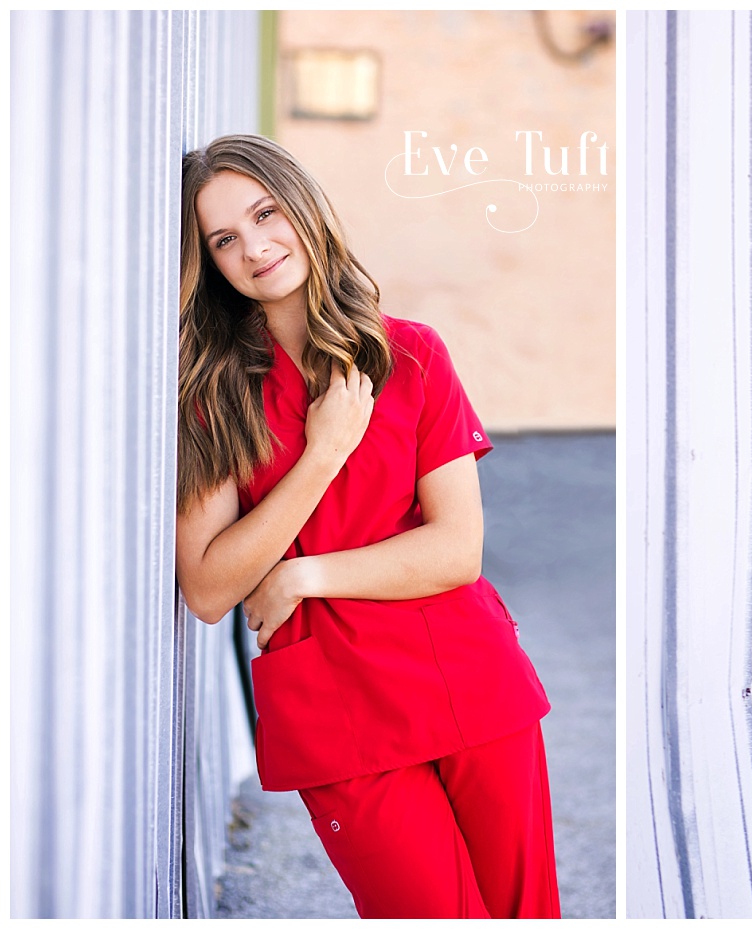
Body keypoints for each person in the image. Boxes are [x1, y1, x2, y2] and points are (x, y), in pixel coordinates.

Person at [174, 134, 559, 918]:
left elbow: (456, 550)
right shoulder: (216, 396)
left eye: (265, 213)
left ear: (304, 208)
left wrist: (302, 573)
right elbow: (210, 587)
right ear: (209, 262)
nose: (254, 246)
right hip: (337, 712)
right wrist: (323, 453)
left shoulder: (411, 355)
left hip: (467, 683)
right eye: (223, 239)